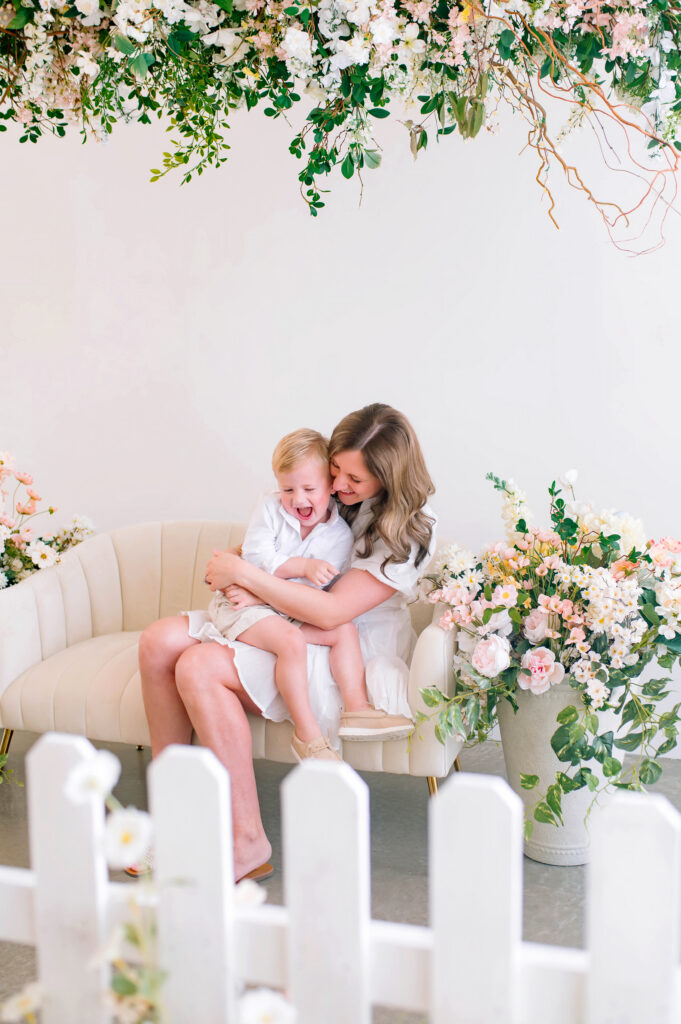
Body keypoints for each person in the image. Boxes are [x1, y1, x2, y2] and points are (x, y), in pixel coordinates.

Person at [138, 403, 436, 882]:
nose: (339, 485)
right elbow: (280, 539)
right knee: (157, 642)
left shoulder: (413, 531)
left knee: (197, 667)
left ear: (388, 478)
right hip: (285, 613)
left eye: (354, 479)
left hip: (342, 644)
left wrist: (245, 576)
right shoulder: (327, 492)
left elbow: (332, 612)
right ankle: (172, 814)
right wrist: (239, 561)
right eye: (335, 470)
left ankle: (247, 840)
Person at [201, 427, 412, 762]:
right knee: (290, 642)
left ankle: (357, 709)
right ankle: (307, 736)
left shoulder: (339, 535)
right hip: (243, 607)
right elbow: (255, 557)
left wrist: (264, 594)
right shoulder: (270, 509)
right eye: (288, 489)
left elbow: (317, 595)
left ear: (329, 487)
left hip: (274, 605)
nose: (298, 499)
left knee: (345, 631)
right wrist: (301, 566)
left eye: (309, 489)